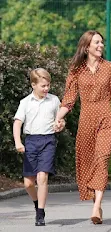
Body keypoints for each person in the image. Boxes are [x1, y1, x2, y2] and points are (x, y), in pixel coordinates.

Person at [54, 30, 111, 225]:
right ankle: (96, 200)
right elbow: (69, 98)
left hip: (105, 118)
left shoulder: (110, 68)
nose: (101, 46)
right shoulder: (76, 70)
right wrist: (58, 118)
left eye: (102, 43)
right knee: (89, 163)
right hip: (86, 121)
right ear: (86, 46)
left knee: (102, 159)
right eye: (96, 42)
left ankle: (96, 205)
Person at [13, 68, 65, 226]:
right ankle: (36, 204)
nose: (46, 88)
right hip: (31, 142)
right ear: (33, 85)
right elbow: (17, 123)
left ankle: (40, 213)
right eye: (43, 85)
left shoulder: (54, 100)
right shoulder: (25, 102)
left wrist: (60, 125)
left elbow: (60, 121)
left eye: (48, 85)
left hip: (48, 140)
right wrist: (18, 142)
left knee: (42, 177)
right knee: (28, 183)